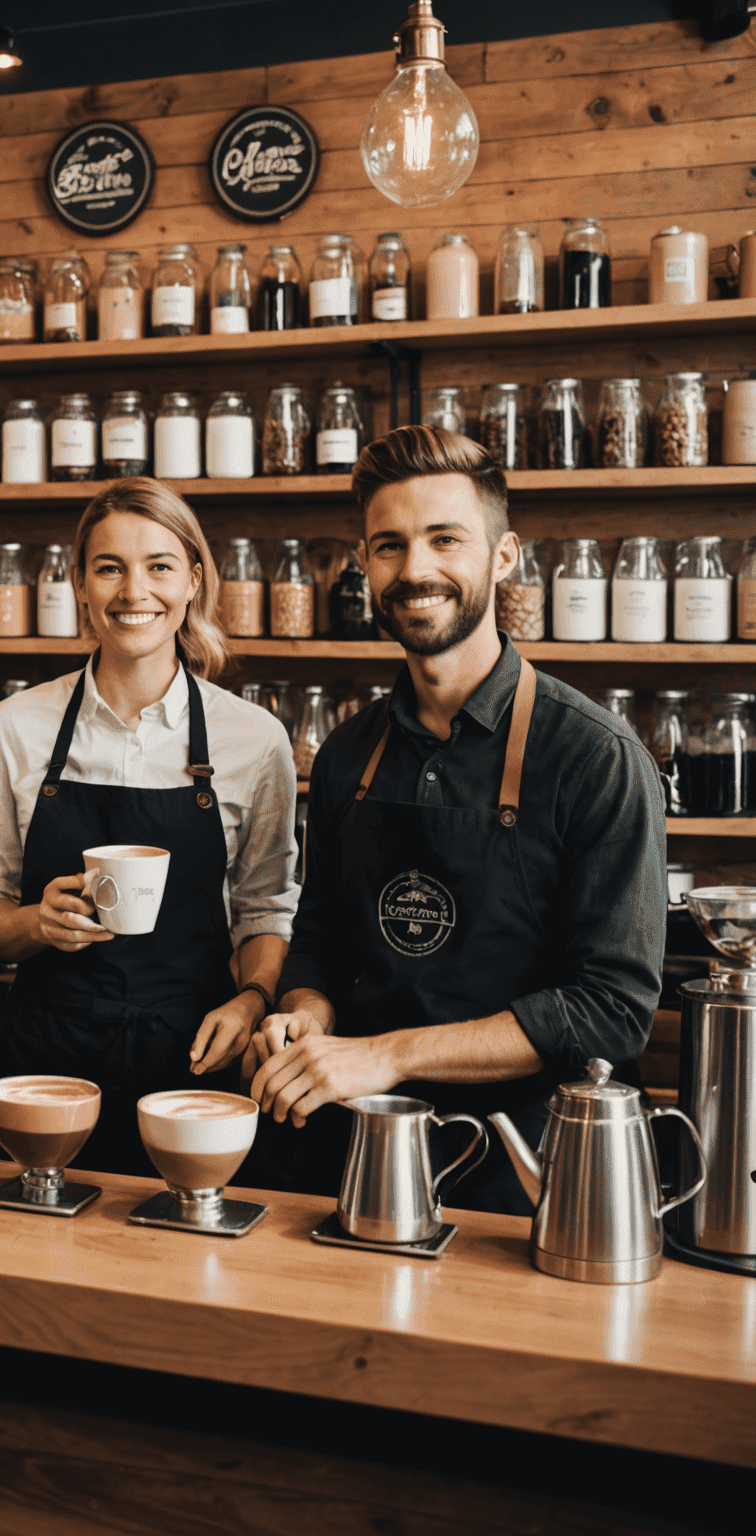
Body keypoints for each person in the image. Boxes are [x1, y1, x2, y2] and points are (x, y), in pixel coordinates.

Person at [246, 427, 665, 1213]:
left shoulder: (595, 757)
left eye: (445, 540)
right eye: (389, 546)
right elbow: (320, 940)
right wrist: (305, 1018)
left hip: (533, 1171)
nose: (416, 571)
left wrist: (387, 1056)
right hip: (359, 1152)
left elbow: (611, 1013)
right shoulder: (347, 754)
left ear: (503, 556)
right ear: (364, 562)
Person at [0, 477, 300, 1174]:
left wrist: (251, 1001)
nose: (132, 591)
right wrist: (33, 925)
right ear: (80, 583)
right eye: (109, 568)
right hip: (43, 1057)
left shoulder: (254, 739)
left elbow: (267, 908)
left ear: (194, 582)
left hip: (191, 1058)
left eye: (159, 566)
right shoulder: (18, 726)